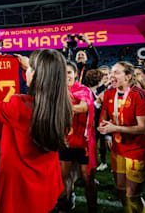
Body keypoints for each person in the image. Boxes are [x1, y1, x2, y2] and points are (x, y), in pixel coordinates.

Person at [0, 49, 72, 213]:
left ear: (33, 75)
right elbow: (50, 88)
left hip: (20, 185)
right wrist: (31, 68)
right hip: (47, 181)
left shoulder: (20, 106)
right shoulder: (65, 106)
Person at [98, 61, 145, 213]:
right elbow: (104, 117)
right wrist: (105, 129)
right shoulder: (109, 93)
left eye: (116, 72)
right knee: (121, 190)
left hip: (138, 150)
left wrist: (114, 128)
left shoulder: (141, 96)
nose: (111, 76)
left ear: (128, 77)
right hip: (118, 149)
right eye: (111, 72)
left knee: (133, 194)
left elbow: (143, 129)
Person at [58, 62, 97, 213]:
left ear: (75, 74)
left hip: (84, 143)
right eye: (63, 72)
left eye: (68, 72)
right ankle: (63, 208)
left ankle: (92, 208)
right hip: (65, 141)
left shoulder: (83, 90)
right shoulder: (57, 90)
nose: (66, 75)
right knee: (63, 177)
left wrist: (61, 105)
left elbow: (83, 107)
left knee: (87, 180)